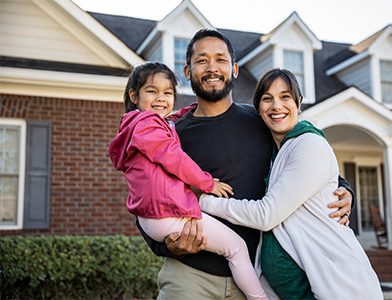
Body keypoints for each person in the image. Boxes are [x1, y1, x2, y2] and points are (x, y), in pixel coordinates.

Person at [137, 29, 355, 300]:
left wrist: (344, 190)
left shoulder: (263, 119)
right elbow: (144, 197)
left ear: (235, 69)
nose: (212, 67)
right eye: (202, 60)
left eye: (221, 59)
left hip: (254, 279)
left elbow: (308, 156)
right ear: (187, 71)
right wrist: (168, 247)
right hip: (190, 276)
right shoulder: (171, 134)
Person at [199, 68, 383, 300]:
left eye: (285, 97)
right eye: (267, 99)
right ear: (258, 109)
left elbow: (267, 215)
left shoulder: (309, 144)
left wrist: (202, 202)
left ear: (298, 103)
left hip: (338, 286)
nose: (276, 106)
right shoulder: (275, 148)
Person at [108, 62, 269, 300]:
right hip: (169, 218)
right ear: (134, 95)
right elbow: (175, 158)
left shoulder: (144, 126)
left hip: (155, 217)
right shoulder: (148, 126)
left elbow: (293, 150)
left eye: (168, 92)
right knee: (236, 249)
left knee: (234, 250)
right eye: (152, 91)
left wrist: (187, 112)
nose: (160, 98)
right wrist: (207, 183)